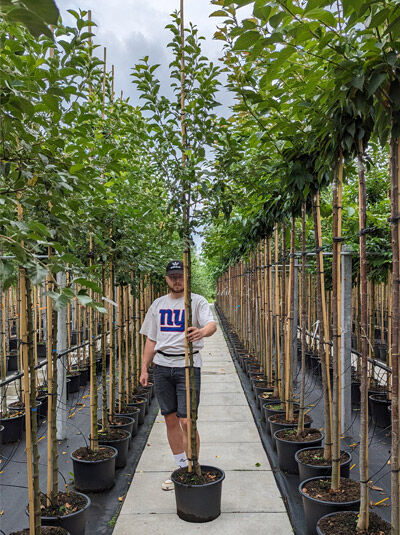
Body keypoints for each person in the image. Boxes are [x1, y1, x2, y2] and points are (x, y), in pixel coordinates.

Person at [139, 259, 217, 490]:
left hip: (188, 365)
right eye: (172, 277)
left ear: (187, 277)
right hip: (162, 366)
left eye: (180, 276)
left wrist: (201, 331)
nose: (177, 280)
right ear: (166, 279)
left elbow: (211, 325)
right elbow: (151, 339)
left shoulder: (196, 301)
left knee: (187, 420)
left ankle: (194, 467)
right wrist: (144, 368)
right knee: (170, 418)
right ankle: (181, 467)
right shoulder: (158, 304)